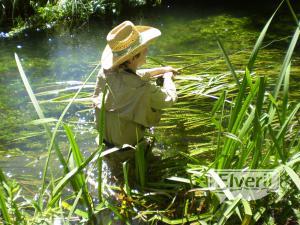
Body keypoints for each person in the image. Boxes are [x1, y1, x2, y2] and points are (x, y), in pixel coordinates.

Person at [92, 20, 177, 204]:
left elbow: (135, 76)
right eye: (145, 51)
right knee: (150, 185)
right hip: (129, 153)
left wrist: (162, 70)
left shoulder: (106, 74)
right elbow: (169, 99)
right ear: (131, 58)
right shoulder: (142, 89)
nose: (147, 54)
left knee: (118, 182)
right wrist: (169, 78)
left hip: (106, 146)